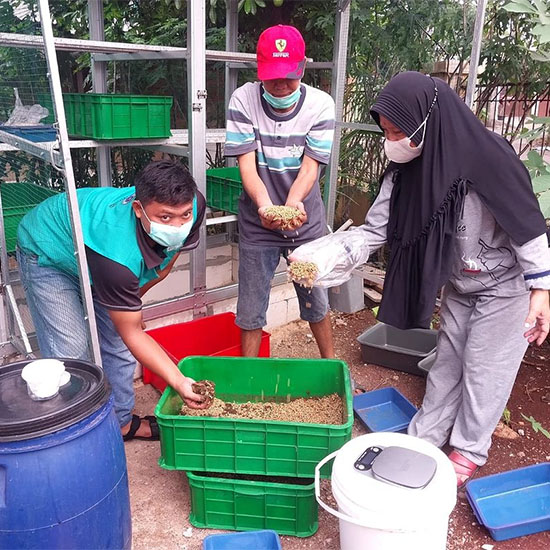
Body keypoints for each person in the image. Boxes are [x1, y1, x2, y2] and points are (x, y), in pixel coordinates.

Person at [356, 71, 550, 487]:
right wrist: (330, 256)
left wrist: (541, 288)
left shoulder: (489, 160)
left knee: (485, 368)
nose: (391, 141)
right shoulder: (408, 168)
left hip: (506, 285)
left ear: (426, 121)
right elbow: (375, 228)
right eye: (386, 132)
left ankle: (469, 447)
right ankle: (428, 433)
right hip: (462, 283)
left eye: (397, 131)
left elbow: (529, 226)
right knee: (447, 361)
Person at [17, 160, 208, 441]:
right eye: (166, 218)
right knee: (72, 349)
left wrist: (137, 296)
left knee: (119, 345)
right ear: (138, 209)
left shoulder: (194, 204)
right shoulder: (117, 259)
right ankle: (73, 432)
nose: (178, 225)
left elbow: (168, 257)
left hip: (98, 250)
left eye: (184, 215)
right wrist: (179, 380)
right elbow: (131, 327)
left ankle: (121, 423)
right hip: (49, 248)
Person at [224, 24, 336, 358]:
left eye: (289, 76)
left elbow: (310, 167)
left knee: (315, 298)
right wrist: (265, 207)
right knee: (250, 306)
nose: (281, 85)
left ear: (302, 68)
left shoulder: (321, 105)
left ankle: (331, 364)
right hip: (259, 222)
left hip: (305, 218)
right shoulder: (243, 99)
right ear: (260, 71)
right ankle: (248, 375)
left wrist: (291, 204)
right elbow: (247, 166)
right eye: (273, 76)